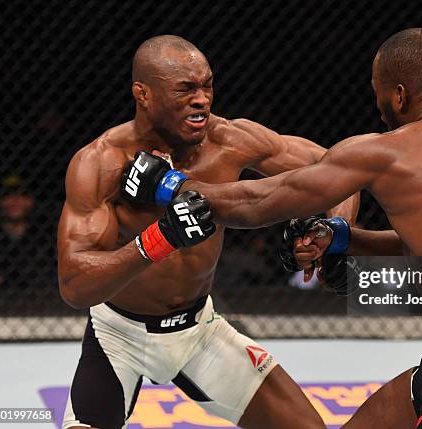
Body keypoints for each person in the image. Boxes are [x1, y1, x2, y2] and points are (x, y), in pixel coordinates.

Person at [133, 28, 422, 428]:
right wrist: (342, 237)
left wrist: (169, 185)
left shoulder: (388, 152)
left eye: (378, 90)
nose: (378, 102)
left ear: (399, 95)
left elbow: (256, 203)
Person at [57, 35, 357, 429]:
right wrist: (157, 240)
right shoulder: (102, 163)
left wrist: (335, 231)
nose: (201, 99)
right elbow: (75, 284)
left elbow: (340, 172)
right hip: (119, 335)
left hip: (200, 331)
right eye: (185, 89)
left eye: (207, 85)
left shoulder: (231, 141)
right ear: (142, 94)